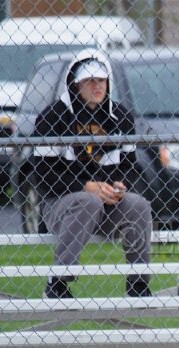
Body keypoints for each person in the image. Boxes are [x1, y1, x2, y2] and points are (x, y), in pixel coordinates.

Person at [33, 50, 153, 299]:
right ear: (75, 84)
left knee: (139, 205)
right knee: (88, 200)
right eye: (89, 81)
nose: (97, 86)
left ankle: (138, 283)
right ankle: (57, 283)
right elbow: (43, 176)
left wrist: (119, 186)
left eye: (101, 80)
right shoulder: (53, 117)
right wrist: (87, 186)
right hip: (60, 205)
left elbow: (130, 166)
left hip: (106, 205)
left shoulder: (120, 117)